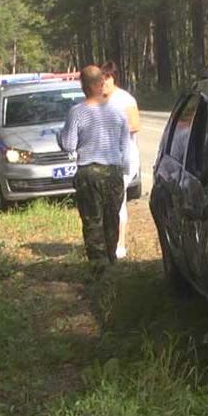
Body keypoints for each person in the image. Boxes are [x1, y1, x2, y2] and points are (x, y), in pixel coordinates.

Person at [58, 65, 129, 275]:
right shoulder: (118, 112)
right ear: (100, 84)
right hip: (113, 172)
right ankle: (111, 260)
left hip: (89, 174)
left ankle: (99, 268)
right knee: (112, 219)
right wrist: (123, 170)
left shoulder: (77, 112)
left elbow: (69, 145)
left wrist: (59, 137)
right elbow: (125, 146)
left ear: (83, 86)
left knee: (92, 221)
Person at [100, 61, 140, 259]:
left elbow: (135, 125)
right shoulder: (97, 100)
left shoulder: (125, 99)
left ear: (113, 79)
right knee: (105, 202)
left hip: (125, 158)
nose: (103, 83)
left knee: (117, 199)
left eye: (106, 79)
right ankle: (107, 242)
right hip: (103, 159)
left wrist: (113, 128)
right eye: (101, 79)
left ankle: (120, 244)